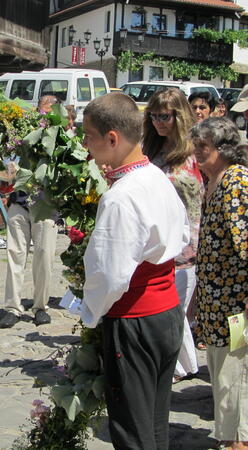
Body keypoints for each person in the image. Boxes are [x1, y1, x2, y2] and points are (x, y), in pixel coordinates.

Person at [81, 93, 189, 450]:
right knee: (154, 421)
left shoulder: (121, 196)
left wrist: (91, 314)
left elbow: (110, 275)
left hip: (135, 319)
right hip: (167, 314)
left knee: (132, 428)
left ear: (112, 138)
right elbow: (183, 234)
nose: (85, 144)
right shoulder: (157, 177)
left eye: (88, 136)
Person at [189, 118, 247, 450]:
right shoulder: (213, 181)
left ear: (223, 150)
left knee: (236, 377)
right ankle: (230, 440)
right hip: (216, 308)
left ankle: (239, 442)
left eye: (203, 147)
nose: (196, 153)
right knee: (223, 377)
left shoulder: (236, 183)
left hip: (238, 307)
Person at [142, 88, 202, 382]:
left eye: (164, 116)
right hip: (159, 240)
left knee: (175, 309)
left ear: (178, 116)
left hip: (190, 244)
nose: (158, 122)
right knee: (173, 310)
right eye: (153, 115)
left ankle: (177, 368)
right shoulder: (151, 151)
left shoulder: (196, 152)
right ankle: (186, 366)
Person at [0, 96, 59, 328]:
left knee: (44, 257)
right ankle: (12, 307)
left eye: (47, 114)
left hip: (46, 205)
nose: (42, 118)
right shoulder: (22, 137)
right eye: (40, 113)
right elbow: (7, 165)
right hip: (19, 203)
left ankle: (40, 306)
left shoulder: (60, 139)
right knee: (15, 254)